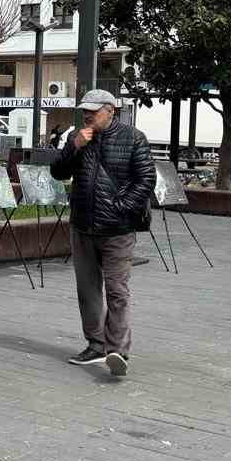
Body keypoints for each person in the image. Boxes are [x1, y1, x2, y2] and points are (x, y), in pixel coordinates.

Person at [52, 89, 156, 377]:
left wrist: (120, 207)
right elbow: (58, 172)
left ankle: (117, 351)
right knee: (87, 289)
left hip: (118, 230)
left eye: (93, 110)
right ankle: (95, 344)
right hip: (82, 225)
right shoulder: (78, 137)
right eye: (85, 110)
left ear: (110, 110)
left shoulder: (133, 138)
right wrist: (74, 147)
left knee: (117, 291)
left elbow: (145, 179)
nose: (87, 115)